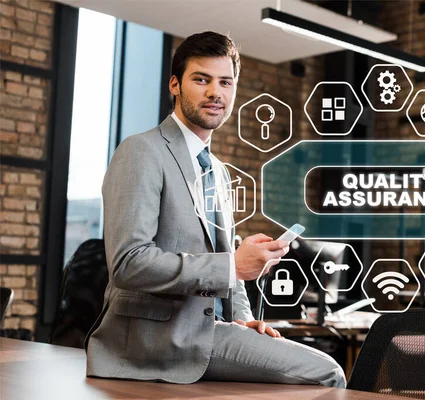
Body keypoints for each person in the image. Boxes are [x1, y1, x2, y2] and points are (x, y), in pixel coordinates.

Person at [84, 31, 345, 388]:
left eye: (225, 82)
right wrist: (233, 264)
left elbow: (227, 264)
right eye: (201, 79)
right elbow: (129, 263)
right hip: (156, 340)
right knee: (328, 372)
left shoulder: (217, 171)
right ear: (175, 85)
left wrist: (242, 317)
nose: (215, 93)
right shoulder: (141, 151)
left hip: (211, 330)